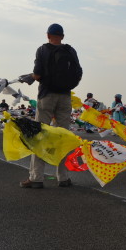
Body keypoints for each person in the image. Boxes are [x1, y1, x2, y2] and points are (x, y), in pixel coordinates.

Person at [20, 23, 83, 188]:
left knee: (40, 135)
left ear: (48, 35)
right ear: (62, 36)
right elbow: (78, 73)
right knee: (62, 137)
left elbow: (38, 73)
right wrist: (66, 86)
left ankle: (36, 178)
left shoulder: (43, 49)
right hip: (65, 97)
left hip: (47, 95)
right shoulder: (70, 50)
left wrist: (31, 77)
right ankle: (63, 178)